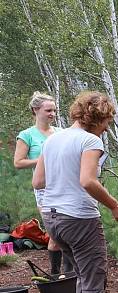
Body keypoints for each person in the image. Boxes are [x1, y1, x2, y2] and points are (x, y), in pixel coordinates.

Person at [34, 91, 118, 293]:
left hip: (52, 217)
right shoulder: (90, 141)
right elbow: (87, 181)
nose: (106, 129)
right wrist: (115, 206)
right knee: (93, 274)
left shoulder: (52, 139)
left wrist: (64, 175)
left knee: (82, 271)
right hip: (78, 218)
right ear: (96, 117)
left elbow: (38, 182)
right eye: (107, 123)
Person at [14, 91, 69, 274]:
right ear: (36, 110)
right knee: (55, 233)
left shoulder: (61, 132)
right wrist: (44, 159)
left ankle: (69, 274)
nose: (52, 114)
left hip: (65, 185)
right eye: (48, 110)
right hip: (44, 188)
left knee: (68, 231)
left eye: (54, 110)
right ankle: (55, 274)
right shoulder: (27, 135)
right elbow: (18, 162)